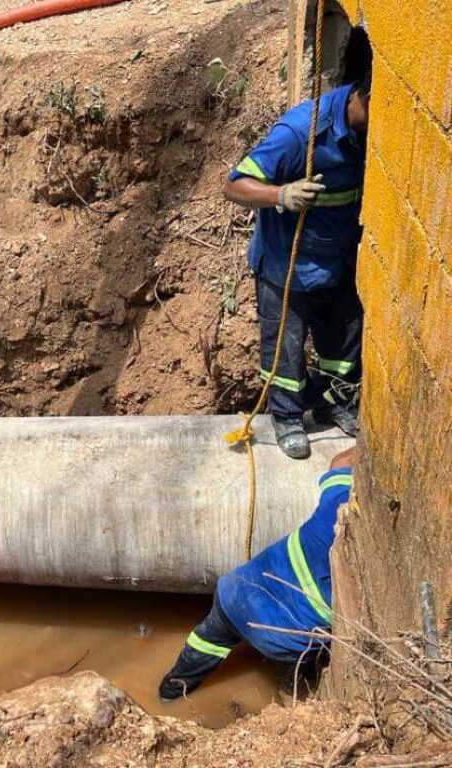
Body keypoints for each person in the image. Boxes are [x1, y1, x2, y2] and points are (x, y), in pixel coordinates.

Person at [225, 76, 370, 459]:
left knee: (342, 339)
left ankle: (333, 401)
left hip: (334, 259)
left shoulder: (368, 135)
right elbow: (235, 185)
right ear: (364, 97)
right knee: (284, 348)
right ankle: (287, 416)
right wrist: (281, 194)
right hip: (285, 260)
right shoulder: (301, 131)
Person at [158, 446, 356, 700]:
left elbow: (340, 460)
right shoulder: (367, 569)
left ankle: (169, 694)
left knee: (208, 640)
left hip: (236, 591)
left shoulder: (338, 500)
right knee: (322, 646)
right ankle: (297, 685)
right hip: (277, 641)